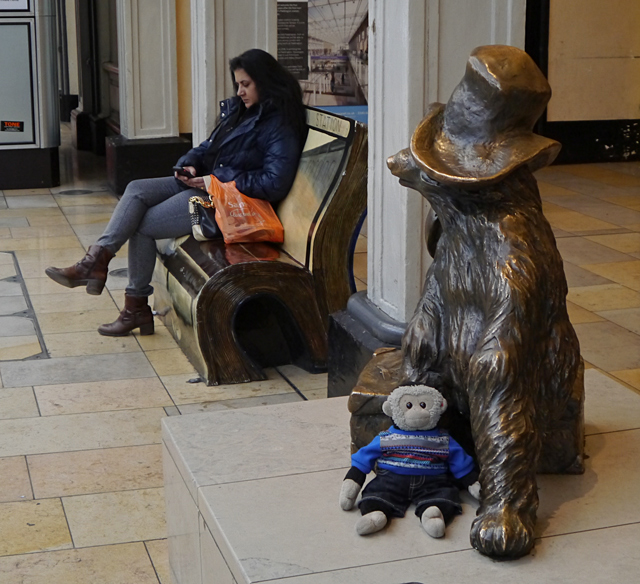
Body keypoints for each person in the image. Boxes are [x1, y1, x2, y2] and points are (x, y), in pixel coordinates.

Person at [45, 49, 307, 337]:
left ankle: (133, 305)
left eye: (246, 84)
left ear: (264, 81)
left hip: (231, 202)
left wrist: (214, 181)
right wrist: (189, 165)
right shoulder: (241, 111)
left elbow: (274, 183)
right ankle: (95, 262)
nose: (240, 91)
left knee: (142, 226)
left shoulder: (279, 123)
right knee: (136, 190)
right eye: (237, 85)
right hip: (208, 186)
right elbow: (208, 147)